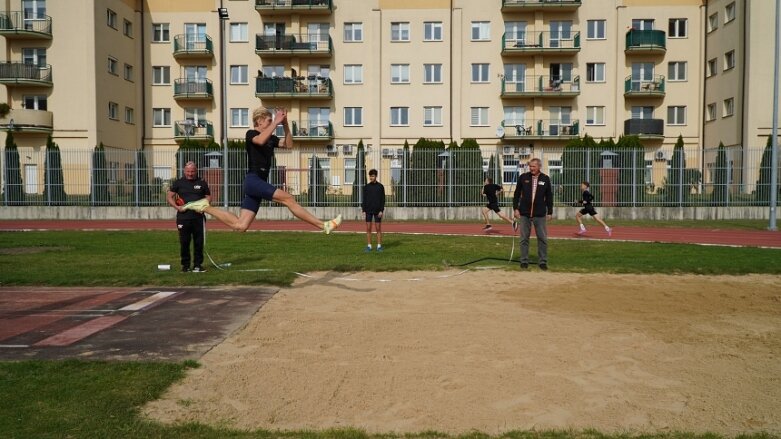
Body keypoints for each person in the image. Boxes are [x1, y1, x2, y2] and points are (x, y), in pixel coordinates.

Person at [180, 107, 342, 234]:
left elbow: (289, 144)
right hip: (253, 180)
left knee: (240, 226)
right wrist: (275, 122)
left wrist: (285, 124)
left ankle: (204, 207)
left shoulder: (271, 137)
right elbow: (260, 140)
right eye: (269, 120)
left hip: (258, 184)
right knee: (288, 198)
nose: (273, 122)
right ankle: (323, 225)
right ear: (259, 121)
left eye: (273, 120)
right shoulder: (251, 133)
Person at [167, 161, 211, 272]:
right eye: (188, 171)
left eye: (192, 171)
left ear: (196, 171)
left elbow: (209, 197)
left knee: (198, 243)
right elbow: (169, 197)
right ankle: (185, 266)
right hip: (183, 218)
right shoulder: (178, 182)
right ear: (184, 171)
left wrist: (203, 206)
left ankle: (197, 265)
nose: (190, 174)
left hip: (198, 218)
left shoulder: (202, 182)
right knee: (184, 242)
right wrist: (177, 208)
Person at [513, 158, 553, 270]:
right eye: (530, 166)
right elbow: (516, 194)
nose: (531, 168)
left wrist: (549, 211)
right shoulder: (523, 177)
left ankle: (542, 262)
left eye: (534, 166)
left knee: (542, 238)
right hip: (524, 213)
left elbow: (549, 196)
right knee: (524, 238)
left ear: (539, 166)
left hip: (539, 214)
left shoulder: (545, 179)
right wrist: (515, 208)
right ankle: (524, 261)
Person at [361, 168, 386, 252]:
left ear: (376, 176)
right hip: (368, 210)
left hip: (377, 211)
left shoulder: (380, 187)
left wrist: (381, 210)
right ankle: (369, 246)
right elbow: (364, 199)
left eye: (373, 176)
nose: (371, 178)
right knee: (368, 228)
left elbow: (383, 200)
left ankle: (379, 246)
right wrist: (363, 210)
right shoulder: (366, 187)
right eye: (370, 176)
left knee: (378, 228)